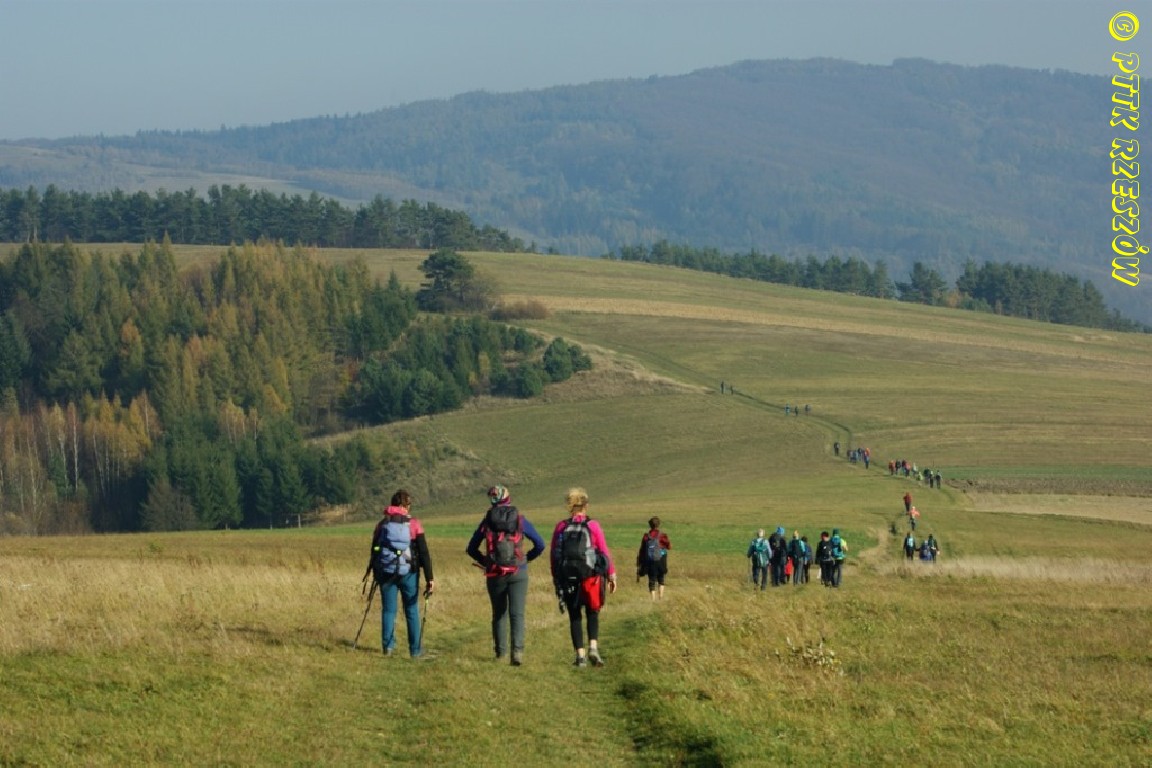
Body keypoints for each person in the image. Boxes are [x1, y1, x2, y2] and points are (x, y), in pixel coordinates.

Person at [466, 485, 547, 666]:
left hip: (495, 573)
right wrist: (526, 559)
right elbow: (540, 544)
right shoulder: (520, 519)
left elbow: (471, 548)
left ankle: (500, 653)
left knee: (499, 613)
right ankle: (517, 653)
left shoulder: (487, 521)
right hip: (518, 571)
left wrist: (486, 561)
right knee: (517, 614)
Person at [551, 487, 617, 667]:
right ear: (586, 506)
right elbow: (603, 550)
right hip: (590, 576)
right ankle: (593, 647)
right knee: (592, 611)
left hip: (568, 577)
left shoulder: (561, 527)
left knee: (574, 615)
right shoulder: (593, 525)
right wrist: (611, 575)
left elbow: (554, 555)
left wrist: (556, 577)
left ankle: (580, 656)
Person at [370, 489, 435, 658]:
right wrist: (430, 578)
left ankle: (388, 647)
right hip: (410, 573)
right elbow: (424, 552)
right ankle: (415, 650)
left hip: (386, 572)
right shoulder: (414, 524)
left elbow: (374, 550)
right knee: (412, 610)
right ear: (405, 506)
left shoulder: (382, 524)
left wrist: (375, 571)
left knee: (388, 610)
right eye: (409, 504)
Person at [636, 516, 672, 600]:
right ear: (659, 524)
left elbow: (642, 550)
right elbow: (669, 547)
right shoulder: (662, 535)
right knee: (661, 579)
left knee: (651, 580)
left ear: (650, 525)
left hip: (650, 561)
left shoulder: (646, 536)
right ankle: (661, 598)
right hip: (661, 560)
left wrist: (640, 562)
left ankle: (653, 600)